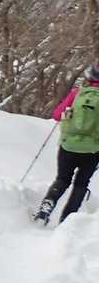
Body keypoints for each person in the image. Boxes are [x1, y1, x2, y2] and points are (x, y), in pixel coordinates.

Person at [35, 61, 99, 224]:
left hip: (68, 146)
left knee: (63, 179)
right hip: (93, 150)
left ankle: (46, 207)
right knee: (81, 184)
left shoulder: (77, 93)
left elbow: (57, 115)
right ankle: (67, 221)